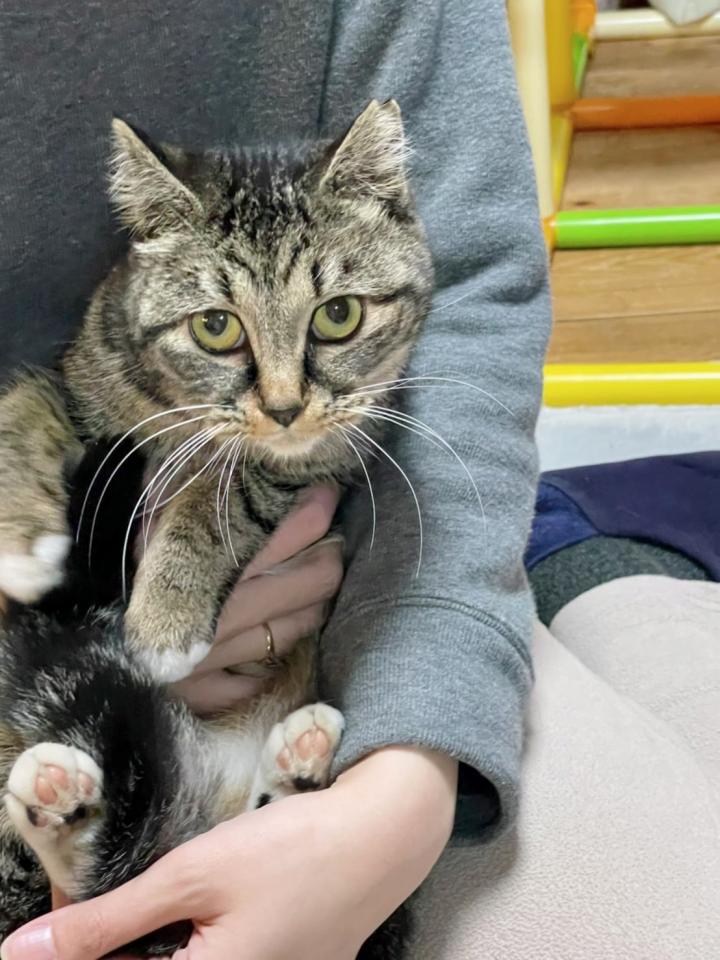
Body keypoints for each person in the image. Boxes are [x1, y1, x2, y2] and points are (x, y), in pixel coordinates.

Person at [0, 1, 550, 957]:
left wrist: (405, 788)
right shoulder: (111, 357)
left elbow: (474, 297)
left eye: (335, 319)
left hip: (334, 661)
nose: (287, 396)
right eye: (221, 330)